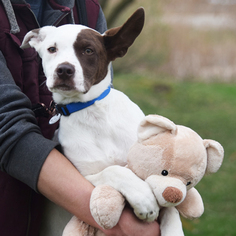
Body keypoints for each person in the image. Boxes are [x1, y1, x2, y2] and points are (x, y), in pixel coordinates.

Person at [0, 0, 160, 235]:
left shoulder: (87, 8)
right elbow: (6, 124)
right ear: (35, 43)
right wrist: (115, 222)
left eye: (86, 51)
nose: (66, 66)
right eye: (53, 50)